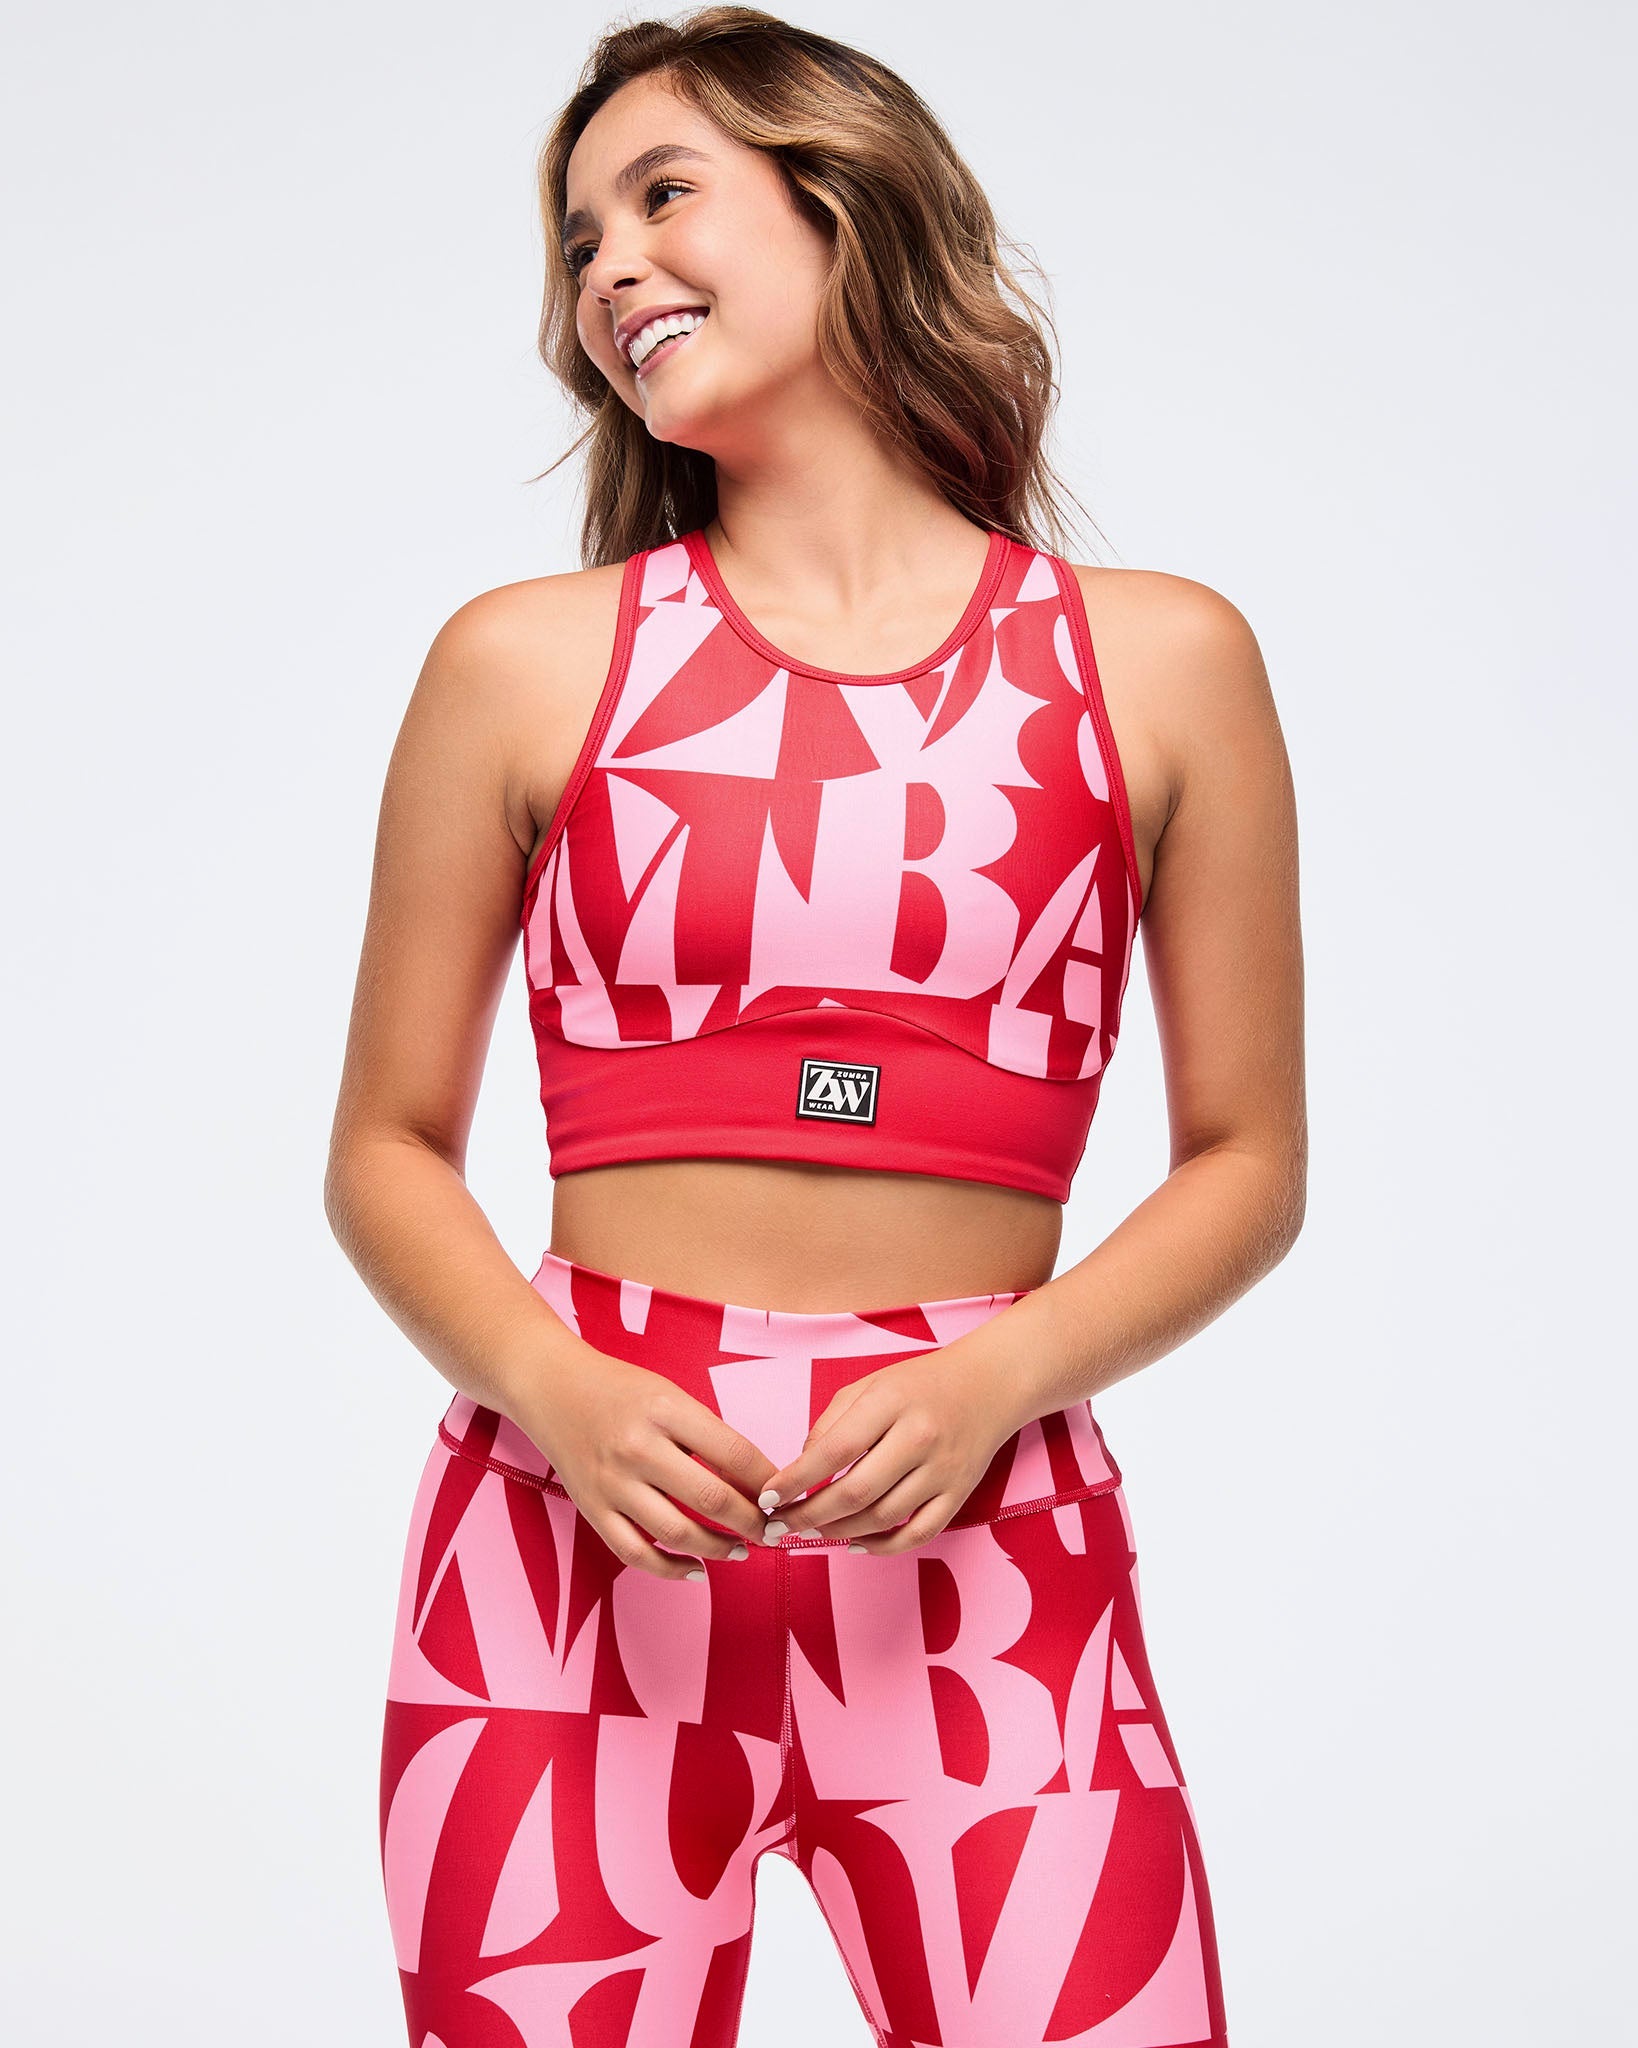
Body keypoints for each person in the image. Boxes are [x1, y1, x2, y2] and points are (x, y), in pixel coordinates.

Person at [324, 9, 1305, 2045]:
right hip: (564, 1577)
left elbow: (1250, 1163)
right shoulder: (521, 665)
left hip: (987, 1560)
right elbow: (384, 1148)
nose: (606, 269)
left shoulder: (1162, 664)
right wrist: (554, 1387)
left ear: (843, 203)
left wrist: (1002, 1373)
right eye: (577, 240)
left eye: (660, 195)